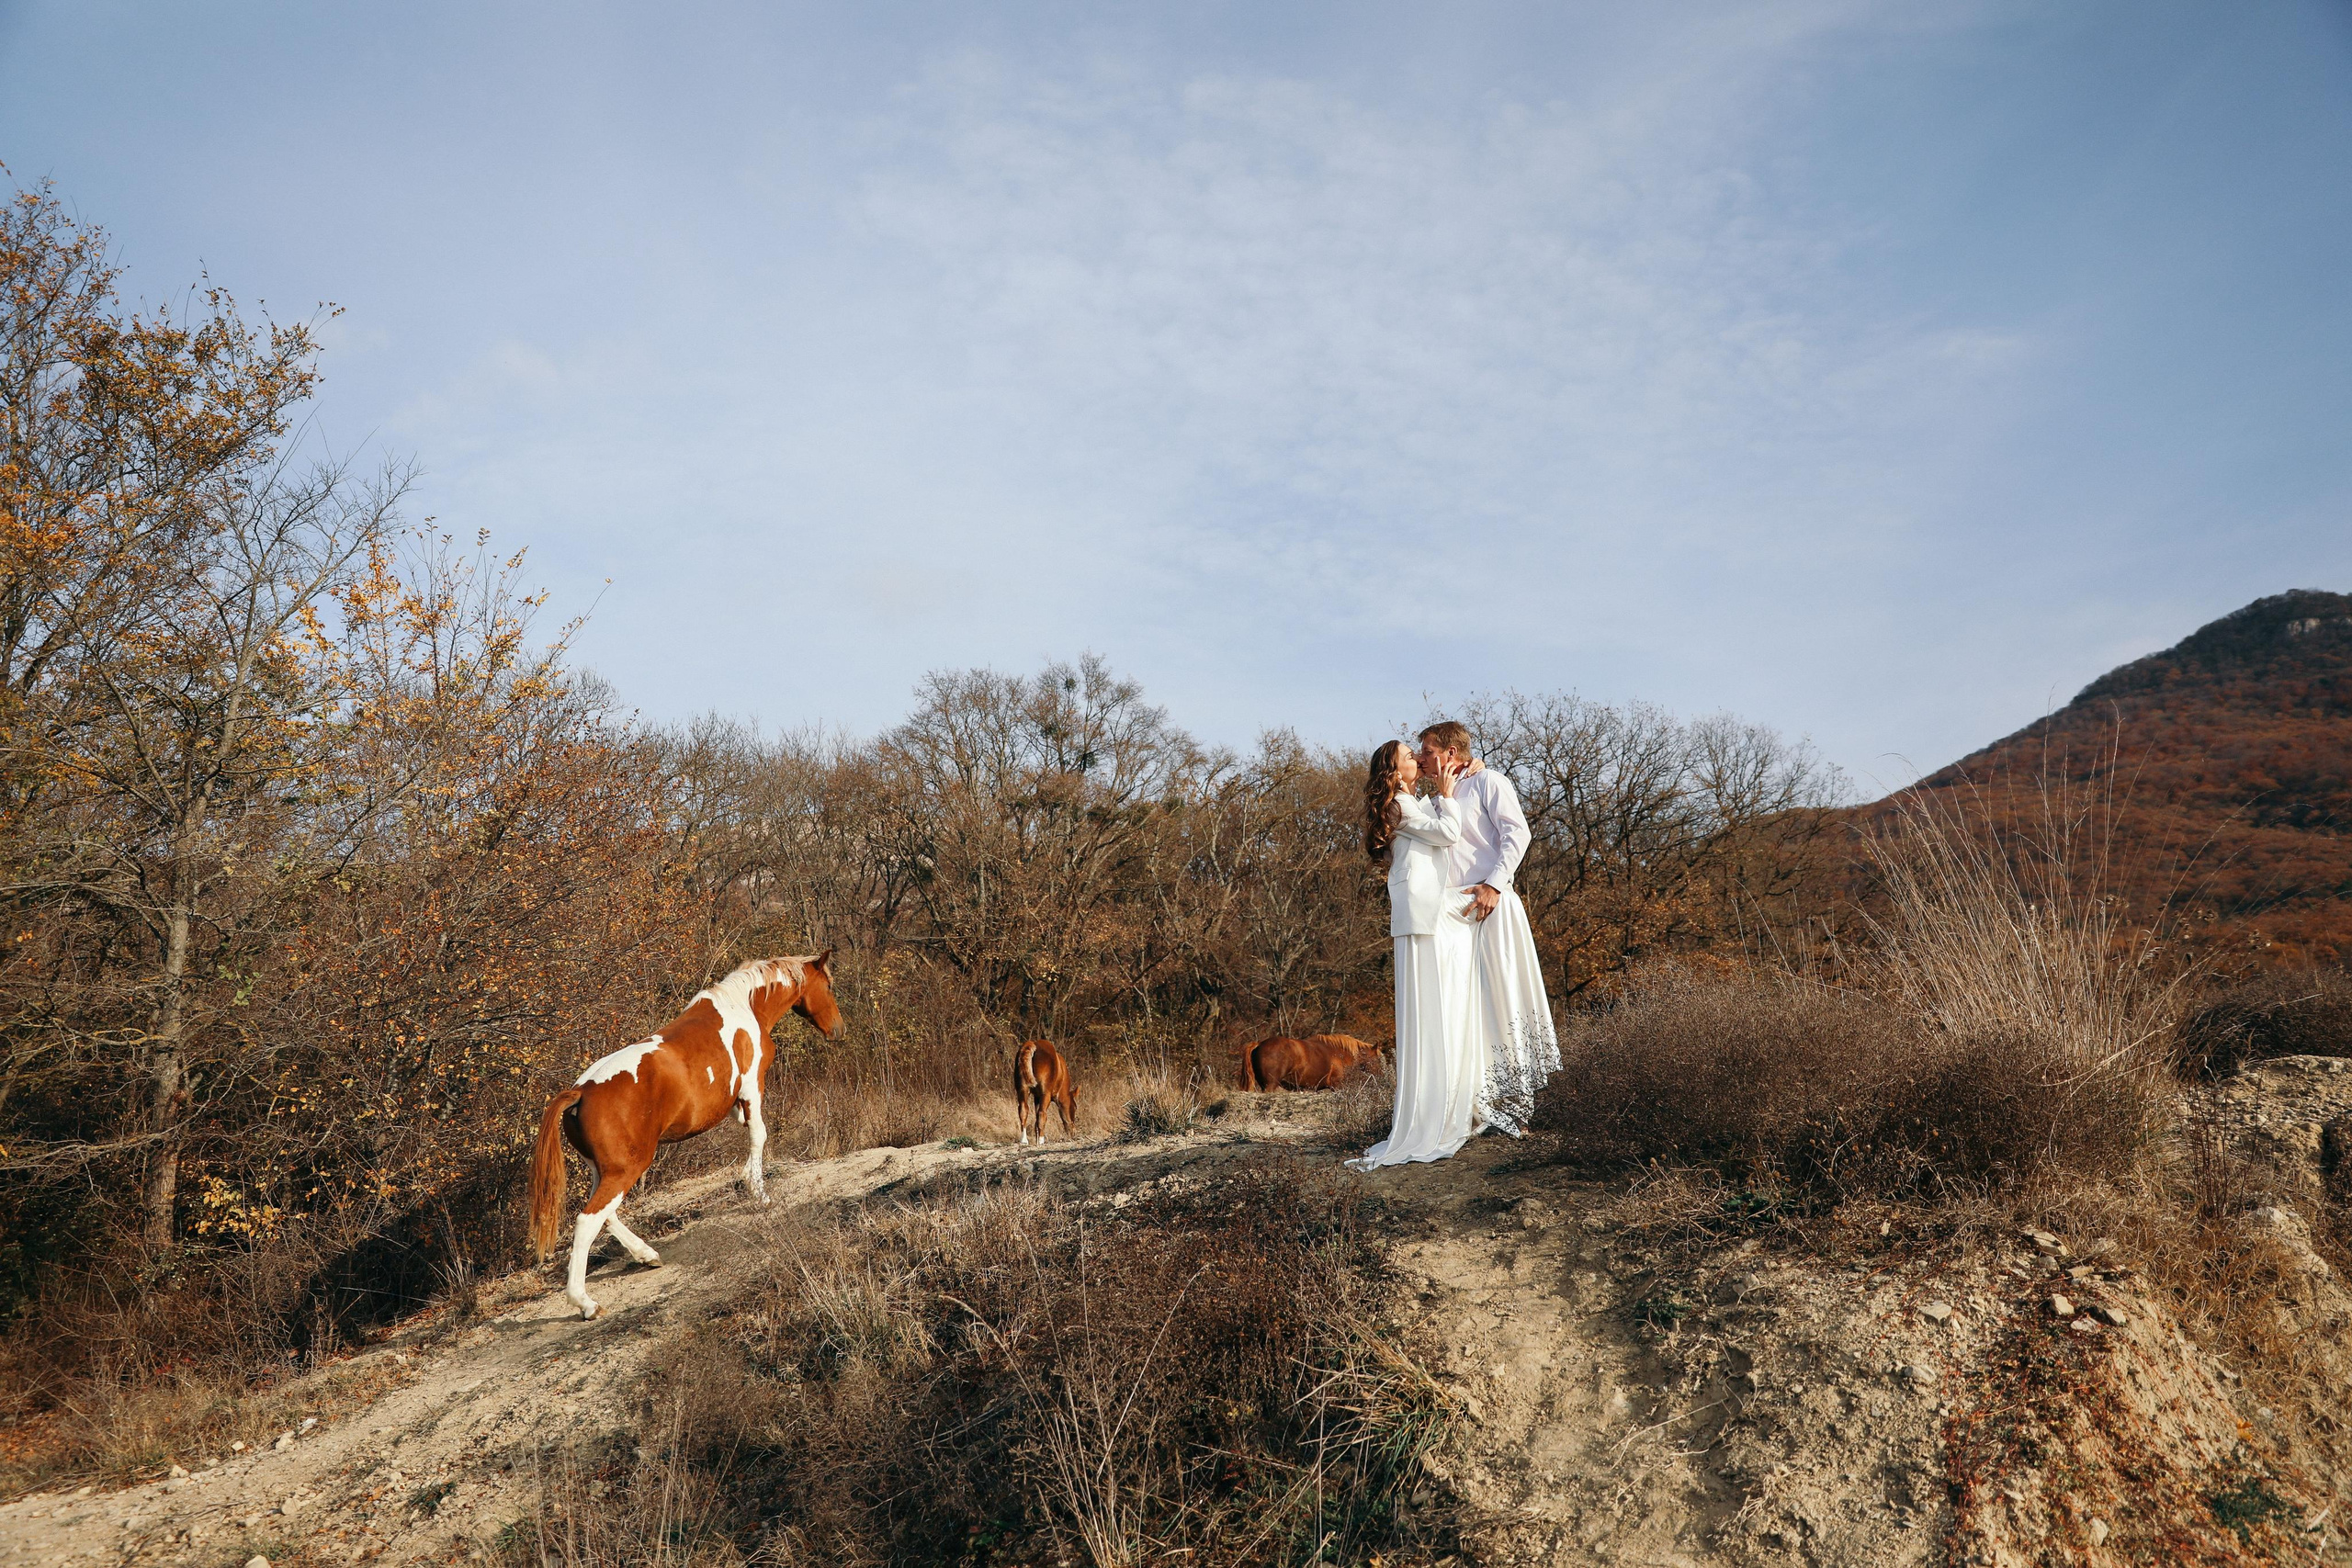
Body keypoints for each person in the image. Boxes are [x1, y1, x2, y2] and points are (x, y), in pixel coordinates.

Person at [1416, 720, 1559, 1137]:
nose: (1421, 758)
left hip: (1491, 903)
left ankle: (1521, 1105)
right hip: (1453, 915)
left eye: (1427, 751)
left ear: (1451, 752)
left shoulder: (1489, 781)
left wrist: (1495, 885)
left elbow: (1518, 833)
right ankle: (1476, 1104)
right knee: (1465, 1007)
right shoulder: (1437, 799)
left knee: (1504, 997)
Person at [1346, 739, 1482, 1171]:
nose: (1417, 760)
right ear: (1393, 770)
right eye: (1410, 756)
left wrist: (1466, 768)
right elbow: (1448, 833)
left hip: (1426, 907)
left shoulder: (1409, 801)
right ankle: (1437, 1111)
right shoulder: (1399, 807)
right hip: (1423, 911)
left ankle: (1459, 1095)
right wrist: (1447, 794)